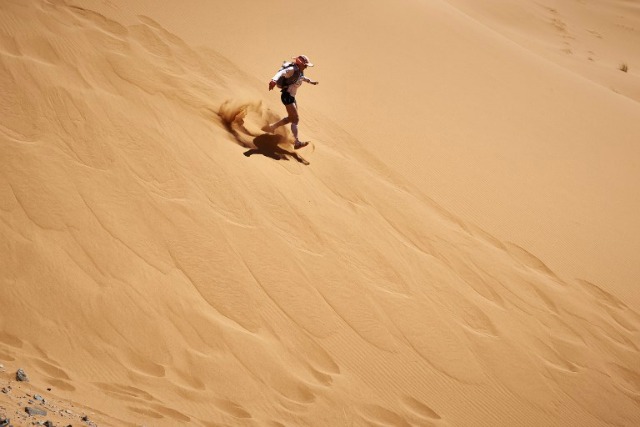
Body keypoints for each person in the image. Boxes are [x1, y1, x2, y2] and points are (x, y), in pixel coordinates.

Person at [266, 55, 319, 149]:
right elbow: (282, 72)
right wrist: (273, 80)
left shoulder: (299, 72)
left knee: (291, 118)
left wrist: (311, 82)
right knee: (296, 119)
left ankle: (272, 127)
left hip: (292, 97)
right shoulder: (292, 69)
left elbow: (302, 78)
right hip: (287, 96)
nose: (306, 67)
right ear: (300, 64)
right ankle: (296, 142)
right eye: (305, 65)